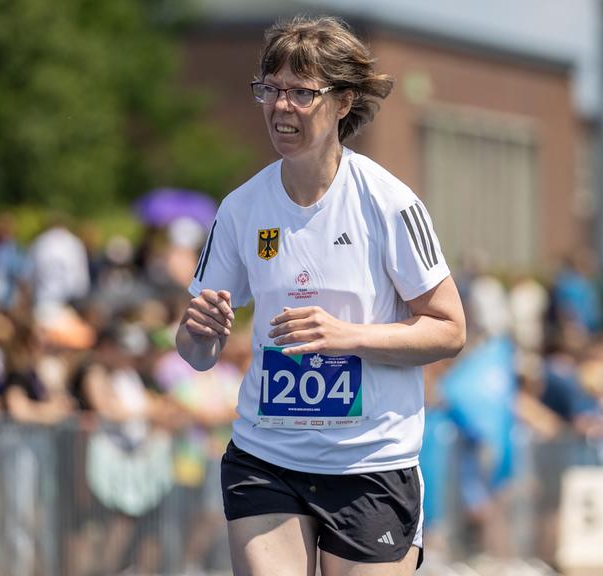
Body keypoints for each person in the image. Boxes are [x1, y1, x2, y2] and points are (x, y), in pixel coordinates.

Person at [176, 15, 466, 576]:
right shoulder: (241, 208)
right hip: (267, 456)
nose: (281, 107)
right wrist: (198, 332)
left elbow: (450, 329)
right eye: (272, 89)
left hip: (371, 464)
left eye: (302, 93)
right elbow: (195, 354)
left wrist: (347, 337)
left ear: (341, 102)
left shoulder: (388, 203)